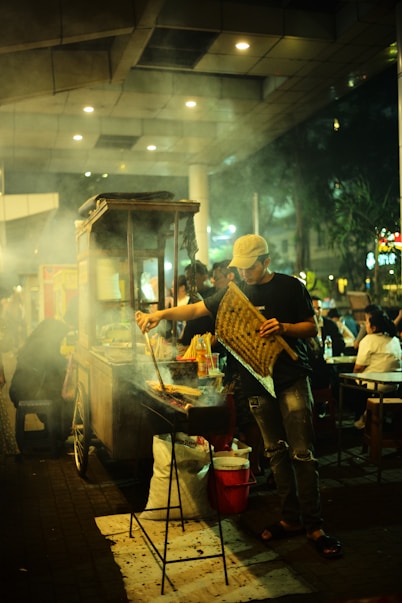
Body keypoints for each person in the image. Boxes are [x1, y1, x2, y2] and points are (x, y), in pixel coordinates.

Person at [136, 234, 342, 560]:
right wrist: (159, 315)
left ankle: (314, 525)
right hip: (256, 383)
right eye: (240, 268)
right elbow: (196, 310)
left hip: (290, 380)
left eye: (250, 267)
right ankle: (290, 519)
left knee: (302, 453)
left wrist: (284, 328)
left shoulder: (290, 287)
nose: (245, 273)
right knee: (275, 452)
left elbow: (311, 327)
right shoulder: (236, 293)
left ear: (266, 262)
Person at [9, 318, 71, 454]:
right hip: (25, 392)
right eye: (60, 337)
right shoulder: (42, 345)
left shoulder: (36, 342)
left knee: (56, 390)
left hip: (19, 390)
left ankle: (53, 431)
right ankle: (57, 434)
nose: (60, 341)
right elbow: (56, 362)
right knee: (63, 399)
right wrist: (68, 360)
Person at [350, 305, 401, 429]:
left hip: (374, 386)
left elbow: (358, 368)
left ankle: (363, 418)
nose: (365, 325)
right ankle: (368, 415)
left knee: (344, 384)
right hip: (394, 386)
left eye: (367, 323)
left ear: (374, 327)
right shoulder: (394, 340)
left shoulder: (368, 340)